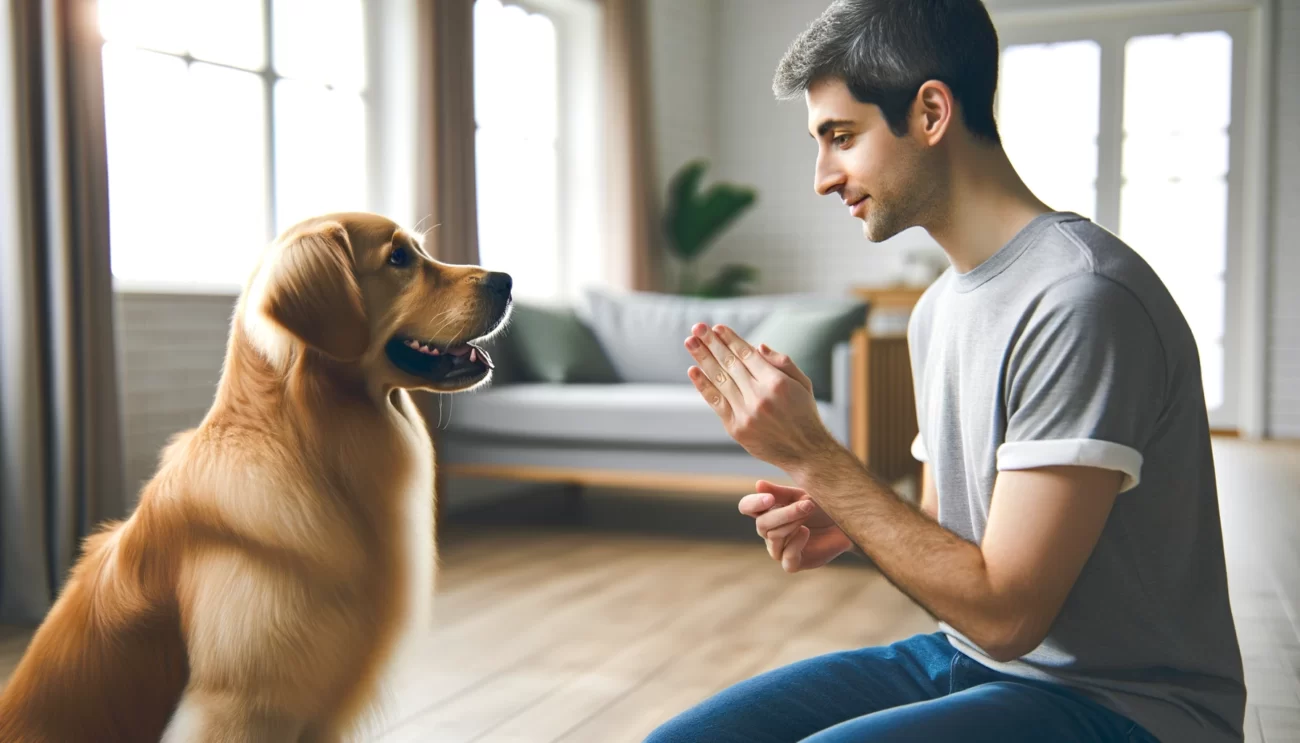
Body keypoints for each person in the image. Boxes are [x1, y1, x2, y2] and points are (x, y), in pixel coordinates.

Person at [644, 1, 1247, 741]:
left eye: (841, 136)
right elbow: (954, 538)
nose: (822, 177)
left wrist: (818, 459)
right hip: (975, 662)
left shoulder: (1083, 300)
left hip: (1127, 706)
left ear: (931, 111)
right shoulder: (937, 310)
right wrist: (853, 518)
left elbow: (1006, 613)